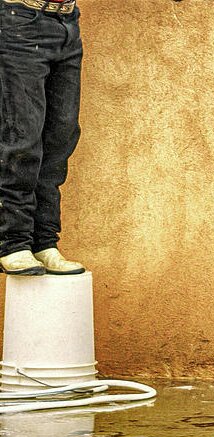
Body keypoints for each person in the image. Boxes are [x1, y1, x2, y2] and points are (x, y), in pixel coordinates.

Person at [0, 0, 85, 275]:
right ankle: (12, 243)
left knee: (60, 141)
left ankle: (43, 242)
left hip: (67, 24)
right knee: (22, 137)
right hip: (20, 20)